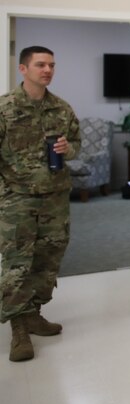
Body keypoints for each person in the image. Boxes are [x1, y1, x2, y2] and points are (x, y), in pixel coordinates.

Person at [0, 46, 80, 362]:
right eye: (40, 64)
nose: (47, 70)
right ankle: (18, 329)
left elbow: (76, 144)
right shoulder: (5, 109)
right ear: (23, 69)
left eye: (51, 65)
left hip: (55, 199)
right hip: (16, 200)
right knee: (17, 264)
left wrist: (67, 149)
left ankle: (34, 313)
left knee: (48, 260)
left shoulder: (61, 109)